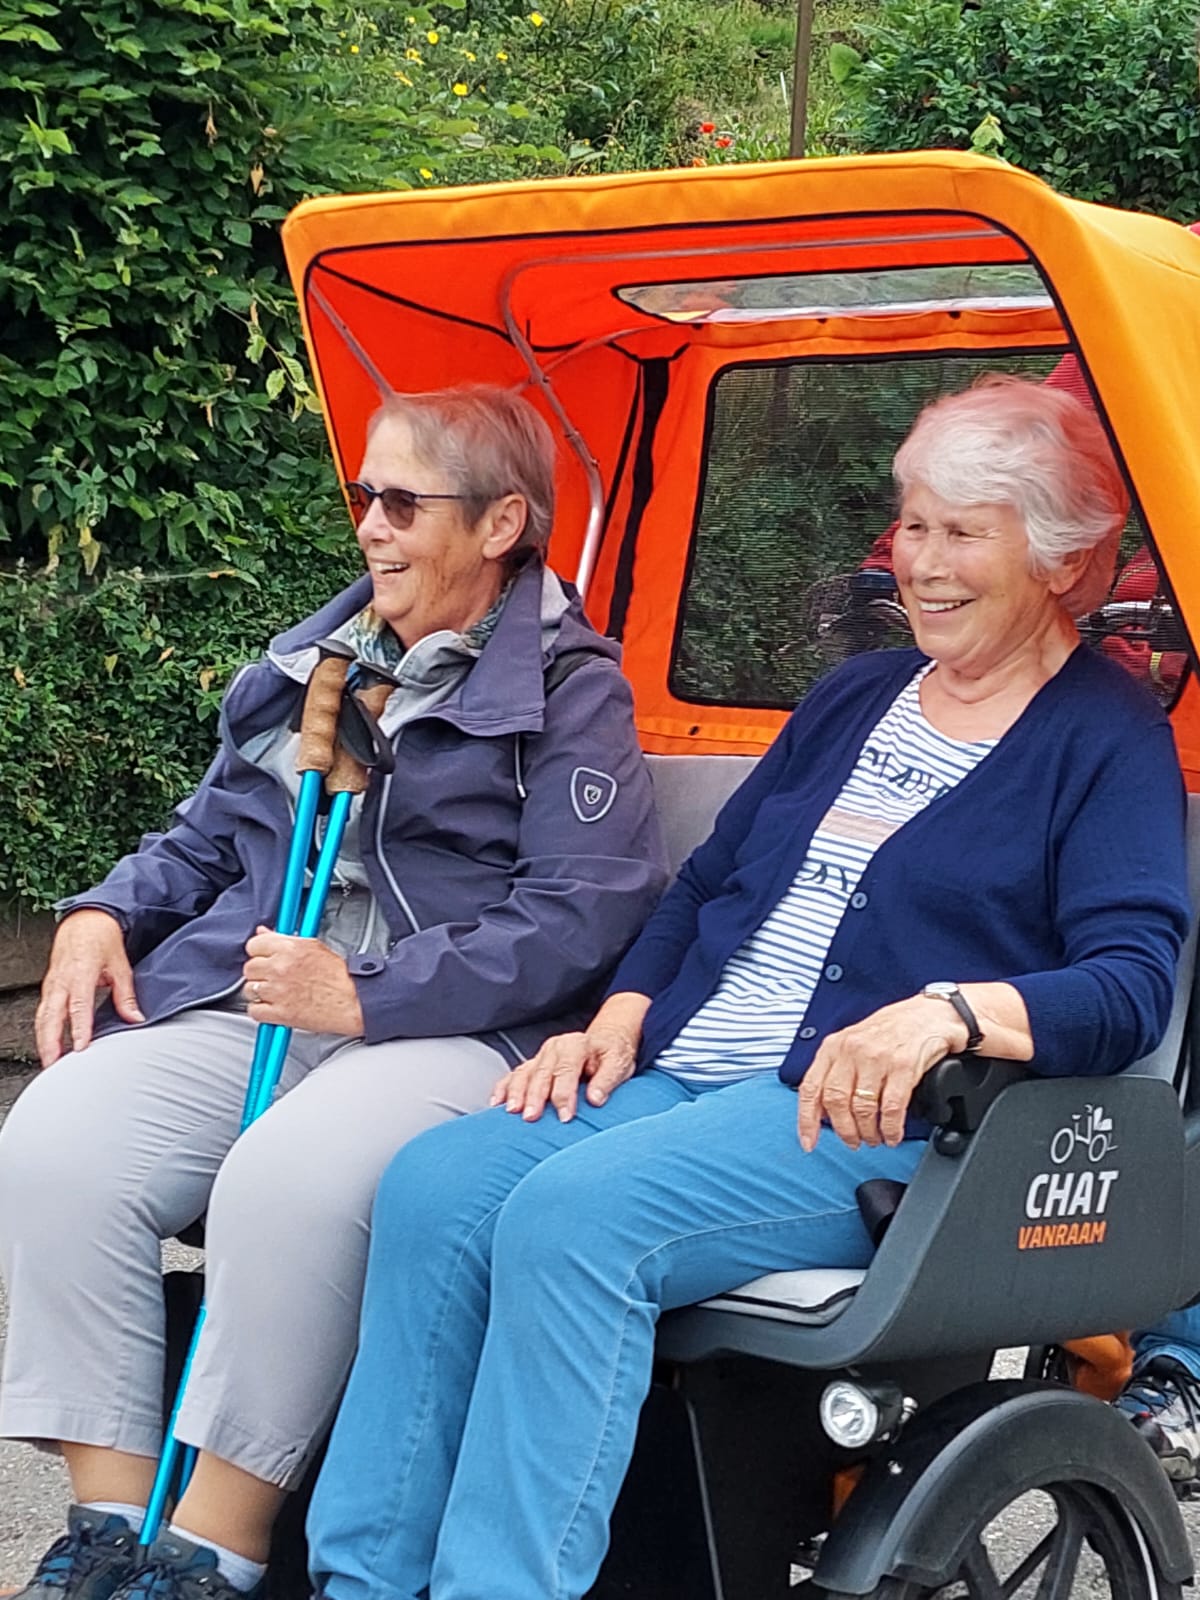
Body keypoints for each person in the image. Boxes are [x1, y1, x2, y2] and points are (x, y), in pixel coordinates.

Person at [305, 374, 1191, 1600]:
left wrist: (950, 1011)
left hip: (862, 1122)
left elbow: (1130, 981)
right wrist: (623, 1012)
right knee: (435, 1187)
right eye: (912, 524)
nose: (922, 562)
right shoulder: (853, 696)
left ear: (1061, 559)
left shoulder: (1105, 735)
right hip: (682, 1073)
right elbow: (708, 881)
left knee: (572, 1222)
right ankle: (361, 1582)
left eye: (962, 532)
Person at [0, 384, 667, 1600]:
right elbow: (205, 838)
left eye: (404, 502)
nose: (370, 524)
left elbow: (582, 918)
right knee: (58, 1137)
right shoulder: (314, 663)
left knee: (286, 1178)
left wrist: (365, 991)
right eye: (366, 495)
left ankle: (212, 1551)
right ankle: (107, 1529)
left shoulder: (571, 690)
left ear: (502, 524)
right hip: (273, 997)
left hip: (460, 1027)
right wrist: (103, 911)